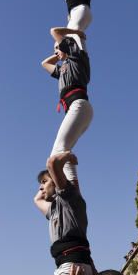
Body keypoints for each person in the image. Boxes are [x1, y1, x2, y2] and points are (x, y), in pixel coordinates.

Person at [34, 153, 94, 275]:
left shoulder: (70, 199)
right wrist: (47, 184)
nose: (40, 188)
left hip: (72, 267)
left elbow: (52, 162)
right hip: (66, 266)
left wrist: (67, 157)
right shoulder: (53, 210)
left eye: (44, 182)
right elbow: (37, 199)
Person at [41, 26, 93, 181]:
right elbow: (44, 64)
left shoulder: (76, 56)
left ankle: (71, 191)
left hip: (79, 105)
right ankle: (72, 184)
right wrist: (58, 54)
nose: (56, 50)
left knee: (57, 153)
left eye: (58, 47)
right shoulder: (64, 68)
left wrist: (76, 33)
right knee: (59, 153)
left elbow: (54, 31)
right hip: (77, 108)